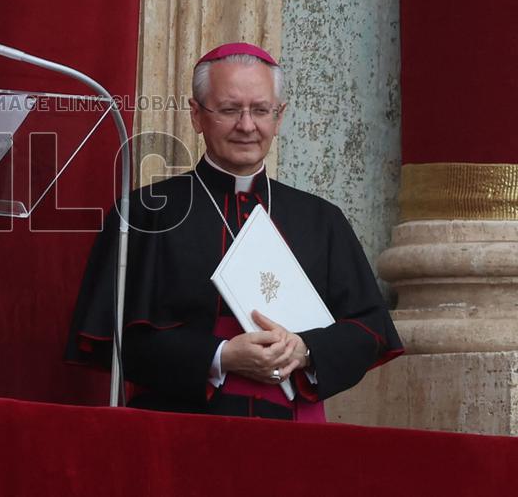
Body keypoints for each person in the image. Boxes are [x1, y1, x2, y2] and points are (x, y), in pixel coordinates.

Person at [65, 42, 402, 420]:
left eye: (261, 110)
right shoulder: (146, 212)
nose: (247, 125)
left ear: (280, 116)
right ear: (196, 115)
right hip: (176, 430)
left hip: (292, 441)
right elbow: (111, 339)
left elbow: (369, 330)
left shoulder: (322, 220)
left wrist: (304, 350)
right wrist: (222, 356)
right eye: (229, 110)